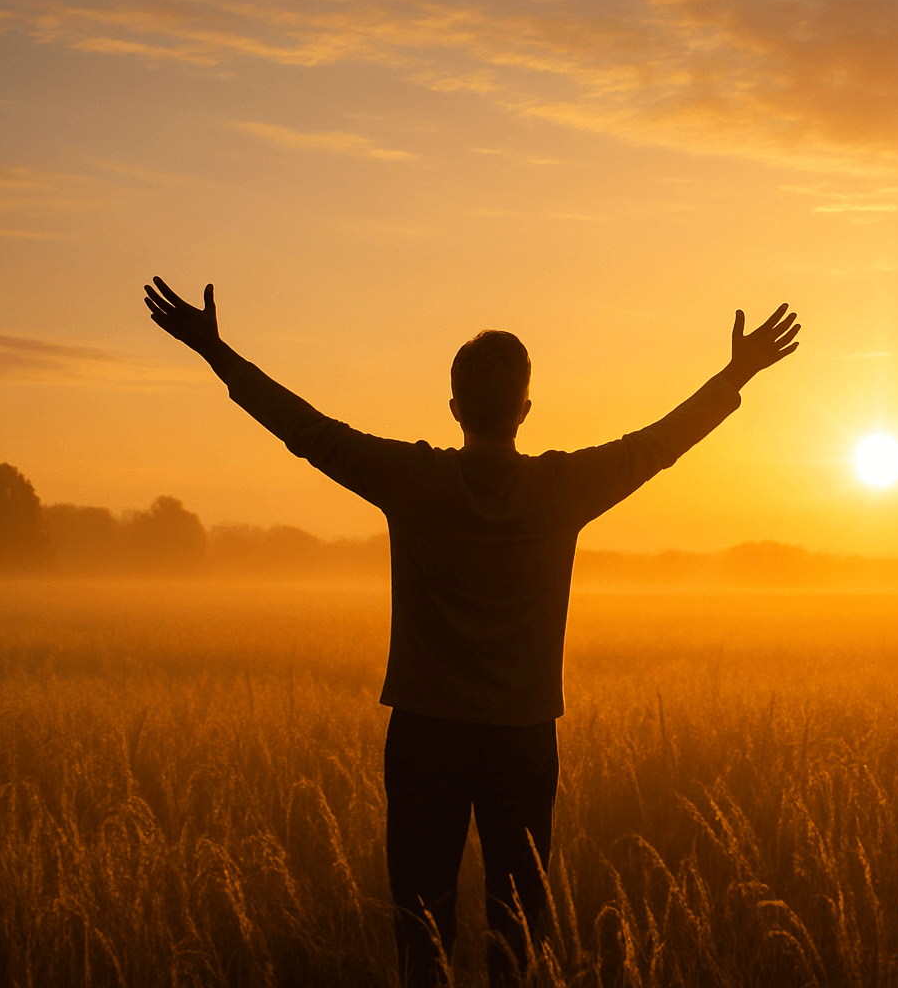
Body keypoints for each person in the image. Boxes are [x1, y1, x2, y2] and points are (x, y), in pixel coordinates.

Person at [141, 277, 800, 985]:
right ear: (524, 410)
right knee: (518, 932)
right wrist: (738, 373)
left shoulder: (412, 480)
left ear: (454, 407)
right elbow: (658, 444)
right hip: (522, 738)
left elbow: (307, 431)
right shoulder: (563, 488)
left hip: (425, 735)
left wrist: (216, 353)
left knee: (420, 930)